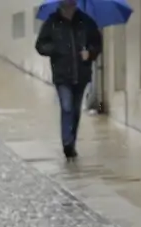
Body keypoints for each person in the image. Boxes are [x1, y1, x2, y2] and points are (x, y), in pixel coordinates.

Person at [35, 0, 102, 159]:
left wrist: (90, 53)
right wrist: (56, 49)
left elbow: (97, 43)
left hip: (81, 74)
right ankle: (67, 143)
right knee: (66, 107)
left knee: (75, 110)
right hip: (62, 75)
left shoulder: (86, 21)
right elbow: (40, 45)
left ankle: (71, 142)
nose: (69, 5)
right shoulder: (52, 22)